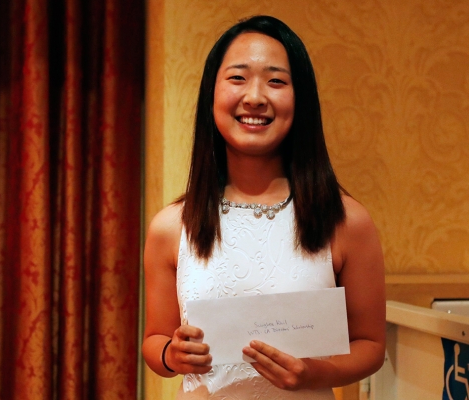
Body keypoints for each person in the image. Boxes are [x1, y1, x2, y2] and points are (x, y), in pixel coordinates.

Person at [142, 15, 386, 399]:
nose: (255, 97)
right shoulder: (172, 226)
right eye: (238, 78)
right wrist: (173, 354)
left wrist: (314, 372)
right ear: (211, 93)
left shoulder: (345, 220)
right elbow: (155, 340)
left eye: (276, 81)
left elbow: (370, 345)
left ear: (299, 99)